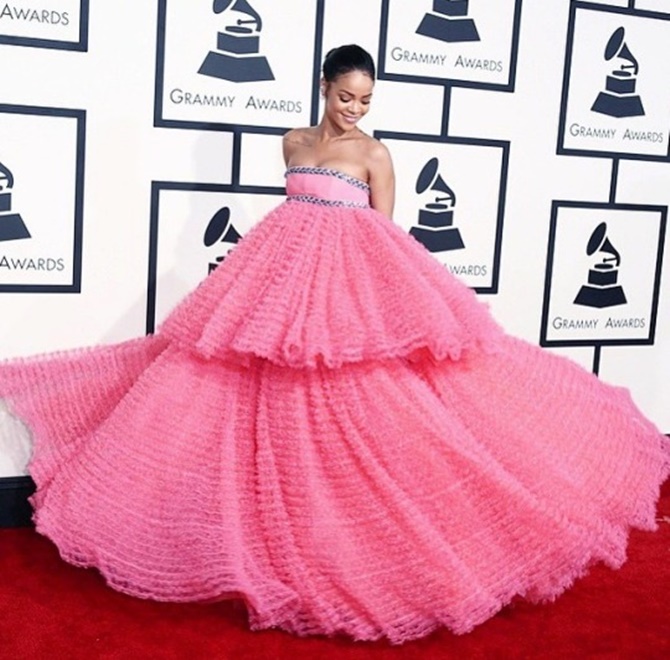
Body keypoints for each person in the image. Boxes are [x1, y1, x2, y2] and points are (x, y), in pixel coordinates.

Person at [0, 44, 668, 645]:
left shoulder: (374, 155)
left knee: (368, 415)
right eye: (346, 96)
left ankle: (364, 547)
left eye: (366, 100)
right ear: (323, 88)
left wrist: (377, 315)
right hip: (282, 287)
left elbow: (383, 237)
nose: (355, 110)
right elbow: (299, 218)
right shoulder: (292, 142)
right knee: (254, 403)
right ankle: (275, 543)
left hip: (344, 299)